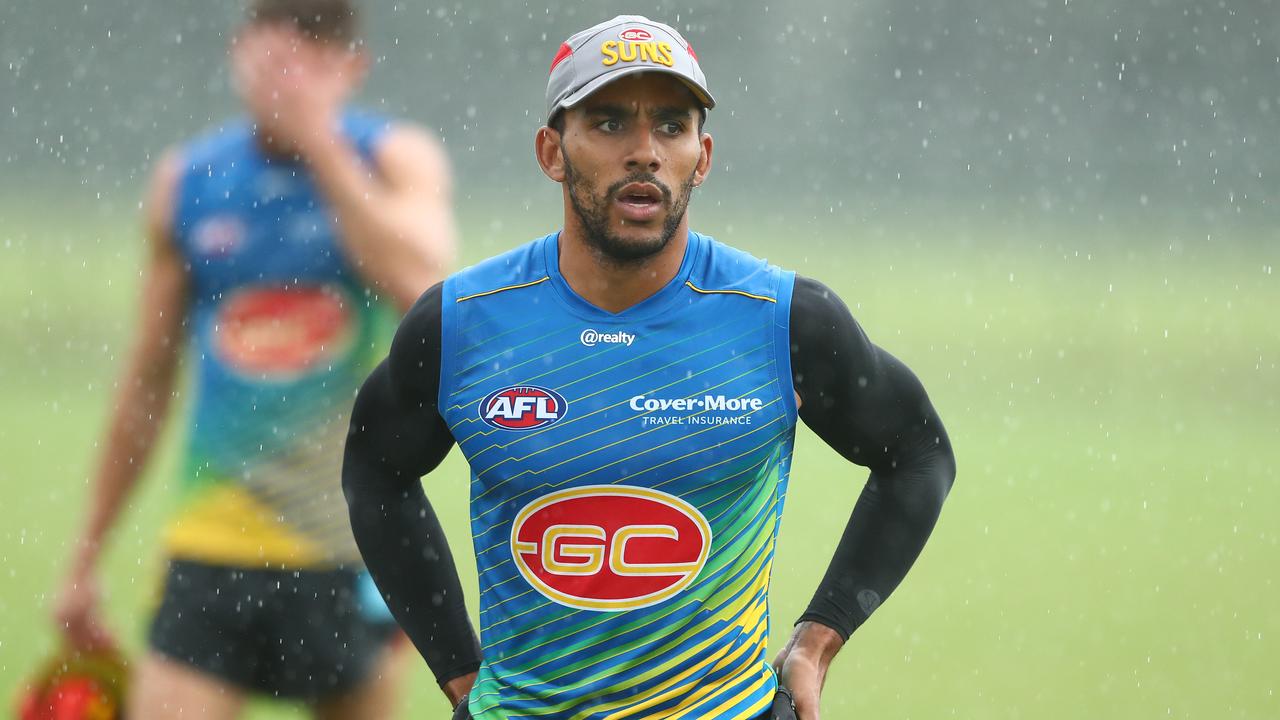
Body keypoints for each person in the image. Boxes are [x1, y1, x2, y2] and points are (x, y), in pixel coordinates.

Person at [343, 14, 955, 720]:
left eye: (671, 126)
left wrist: (819, 639)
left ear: (704, 155)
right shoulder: (462, 323)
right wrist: (457, 670)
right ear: (551, 151)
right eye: (608, 125)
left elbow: (917, 453)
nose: (645, 152)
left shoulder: (784, 320)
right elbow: (375, 471)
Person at [52, 0, 457, 717]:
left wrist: (323, 148)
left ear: (351, 70)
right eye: (271, 63)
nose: (284, 85)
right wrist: (85, 557)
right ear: (239, 55)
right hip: (212, 544)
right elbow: (146, 383)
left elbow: (424, 293)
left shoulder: (394, 157)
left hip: (350, 547)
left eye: (308, 66)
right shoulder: (189, 181)